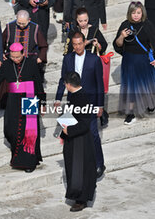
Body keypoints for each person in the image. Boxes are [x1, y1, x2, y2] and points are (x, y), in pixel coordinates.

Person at [55, 31, 105, 179]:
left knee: (93, 133)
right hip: (74, 102)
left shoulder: (94, 59)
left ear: (84, 43)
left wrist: (100, 105)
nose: (77, 47)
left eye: (79, 44)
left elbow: (99, 84)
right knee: (75, 133)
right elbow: (62, 79)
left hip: (90, 101)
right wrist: (58, 98)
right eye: (74, 44)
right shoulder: (68, 59)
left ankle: (99, 163)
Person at [0, 43, 46, 173]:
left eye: (17, 57)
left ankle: (29, 162)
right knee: (12, 129)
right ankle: (16, 156)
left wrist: (42, 103)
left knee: (29, 131)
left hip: (29, 99)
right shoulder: (7, 64)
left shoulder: (31, 63)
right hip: (13, 101)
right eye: (13, 57)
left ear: (23, 54)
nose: (15, 59)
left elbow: (38, 84)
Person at [113, 1, 155, 125]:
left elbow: (154, 42)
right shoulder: (125, 25)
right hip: (129, 60)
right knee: (130, 87)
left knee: (147, 84)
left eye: (138, 12)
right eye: (133, 13)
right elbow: (118, 45)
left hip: (144, 60)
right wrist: (122, 36)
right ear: (129, 13)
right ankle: (130, 113)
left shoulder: (147, 25)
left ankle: (150, 104)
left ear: (142, 13)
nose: (136, 15)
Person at [60, 72, 97, 212]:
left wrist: (69, 130)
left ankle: (81, 199)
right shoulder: (76, 95)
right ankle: (78, 194)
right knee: (74, 167)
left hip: (80, 140)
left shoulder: (82, 98)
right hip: (74, 139)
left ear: (68, 85)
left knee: (79, 169)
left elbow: (85, 123)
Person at [2, 10, 48, 82]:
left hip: (30, 61)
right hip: (12, 61)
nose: (21, 25)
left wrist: (40, 58)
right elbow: (2, 42)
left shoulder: (35, 28)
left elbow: (43, 46)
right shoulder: (9, 27)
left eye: (23, 24)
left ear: (29, 20)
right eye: (19, 23)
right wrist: (2, 53)